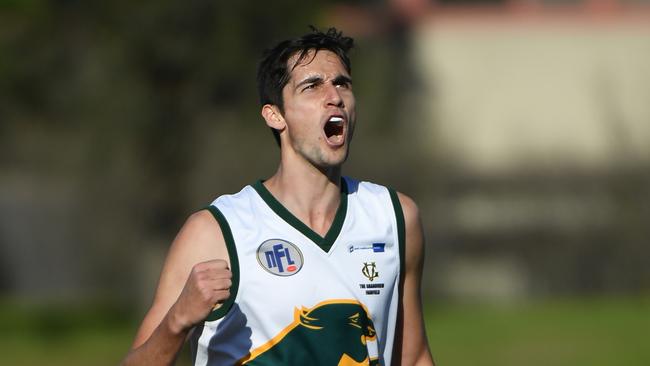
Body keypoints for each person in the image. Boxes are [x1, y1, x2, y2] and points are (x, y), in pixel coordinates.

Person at [121, 27, 434, 366]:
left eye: (342, 83)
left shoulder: (395, 217)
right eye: (312, 86)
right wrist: (176, 322)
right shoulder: (216, 231)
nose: (334, 96)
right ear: (275, 115)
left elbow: (412, 357)